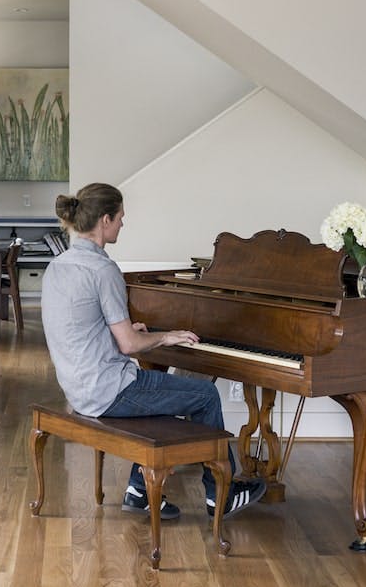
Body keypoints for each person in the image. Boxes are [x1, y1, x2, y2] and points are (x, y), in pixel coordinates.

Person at [40, 182, 266, 521]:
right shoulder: (104, 270)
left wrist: (127, 331)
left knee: (171, 393)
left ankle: (138, 489)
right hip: (108, 391)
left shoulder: (59, 266)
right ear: (105, 220)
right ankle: (221, 492)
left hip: (77, 385)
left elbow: (78, 329)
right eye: (120, 218)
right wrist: (166, 337)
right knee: (204, 394)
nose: (122, 224)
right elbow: (129, 346)